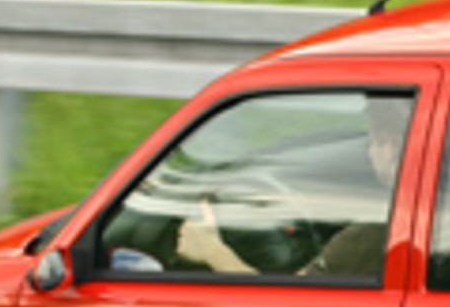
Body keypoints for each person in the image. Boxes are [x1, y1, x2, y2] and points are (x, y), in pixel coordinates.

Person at [175, 95, 410, 278]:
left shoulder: (376, 234)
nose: (370, 150)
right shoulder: (440, 211)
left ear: (389, 147)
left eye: (374, 139)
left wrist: (211, 250)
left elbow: (288, 305)